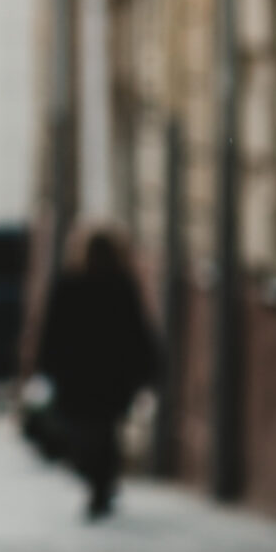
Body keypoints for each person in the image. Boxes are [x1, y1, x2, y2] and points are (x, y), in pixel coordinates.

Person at [35, 223, 162, 520]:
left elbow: (135, 330)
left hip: (93, 376)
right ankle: (101, 482)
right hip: (100, 375)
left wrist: (46, 366)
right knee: (100, 432)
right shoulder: (76, 284)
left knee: (96, 432)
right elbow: (55, 329)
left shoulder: (112, 285)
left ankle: (100, 485)